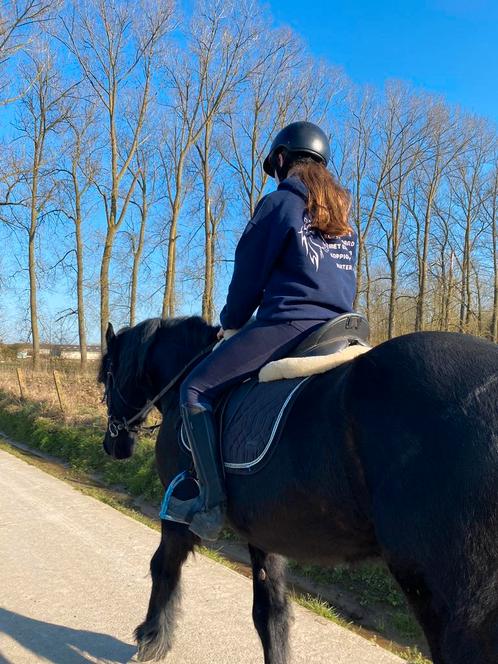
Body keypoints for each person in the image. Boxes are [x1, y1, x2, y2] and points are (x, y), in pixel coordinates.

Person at [166, 121, 357, 540]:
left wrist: (231, 323)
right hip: (342, 328)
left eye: (276, 166)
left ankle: (210, 506)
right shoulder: (342, 217)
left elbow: (247, 281)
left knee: (194, 390)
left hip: (290, 325)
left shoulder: (279, 205)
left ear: (282, 160)